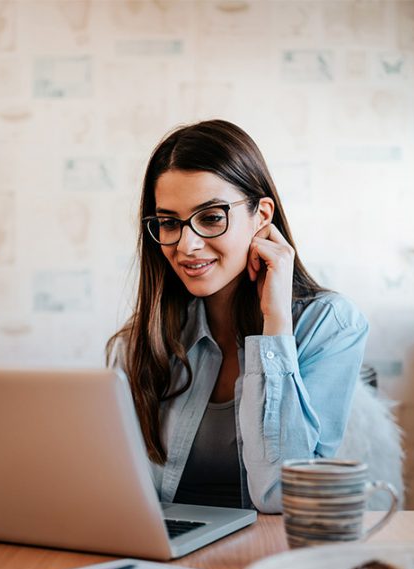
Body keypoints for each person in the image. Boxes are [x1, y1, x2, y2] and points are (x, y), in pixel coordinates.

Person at [107, 120, 368, 514]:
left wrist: (275, 323)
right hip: (163, 556)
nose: (187, 245)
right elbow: (117, 490)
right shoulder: (140, 341)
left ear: (262, 215)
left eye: (211, 217)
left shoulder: (330, 325)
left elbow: (281, 493)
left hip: (269, 555)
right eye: (169, 222)